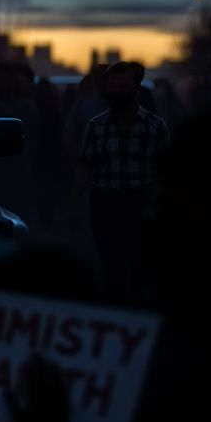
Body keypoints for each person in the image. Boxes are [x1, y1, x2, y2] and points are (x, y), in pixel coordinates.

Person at [70, 62, 170, 300]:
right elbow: (85, 165)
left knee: (140, 264)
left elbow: (167, 172)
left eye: (123, 86)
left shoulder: (155, 127)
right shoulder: (96, 126)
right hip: (105, 202)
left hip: (141, 202)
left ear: (136, 88)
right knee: (111, 264)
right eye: (113, 86)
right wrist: (74, 204)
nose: (117, 91)